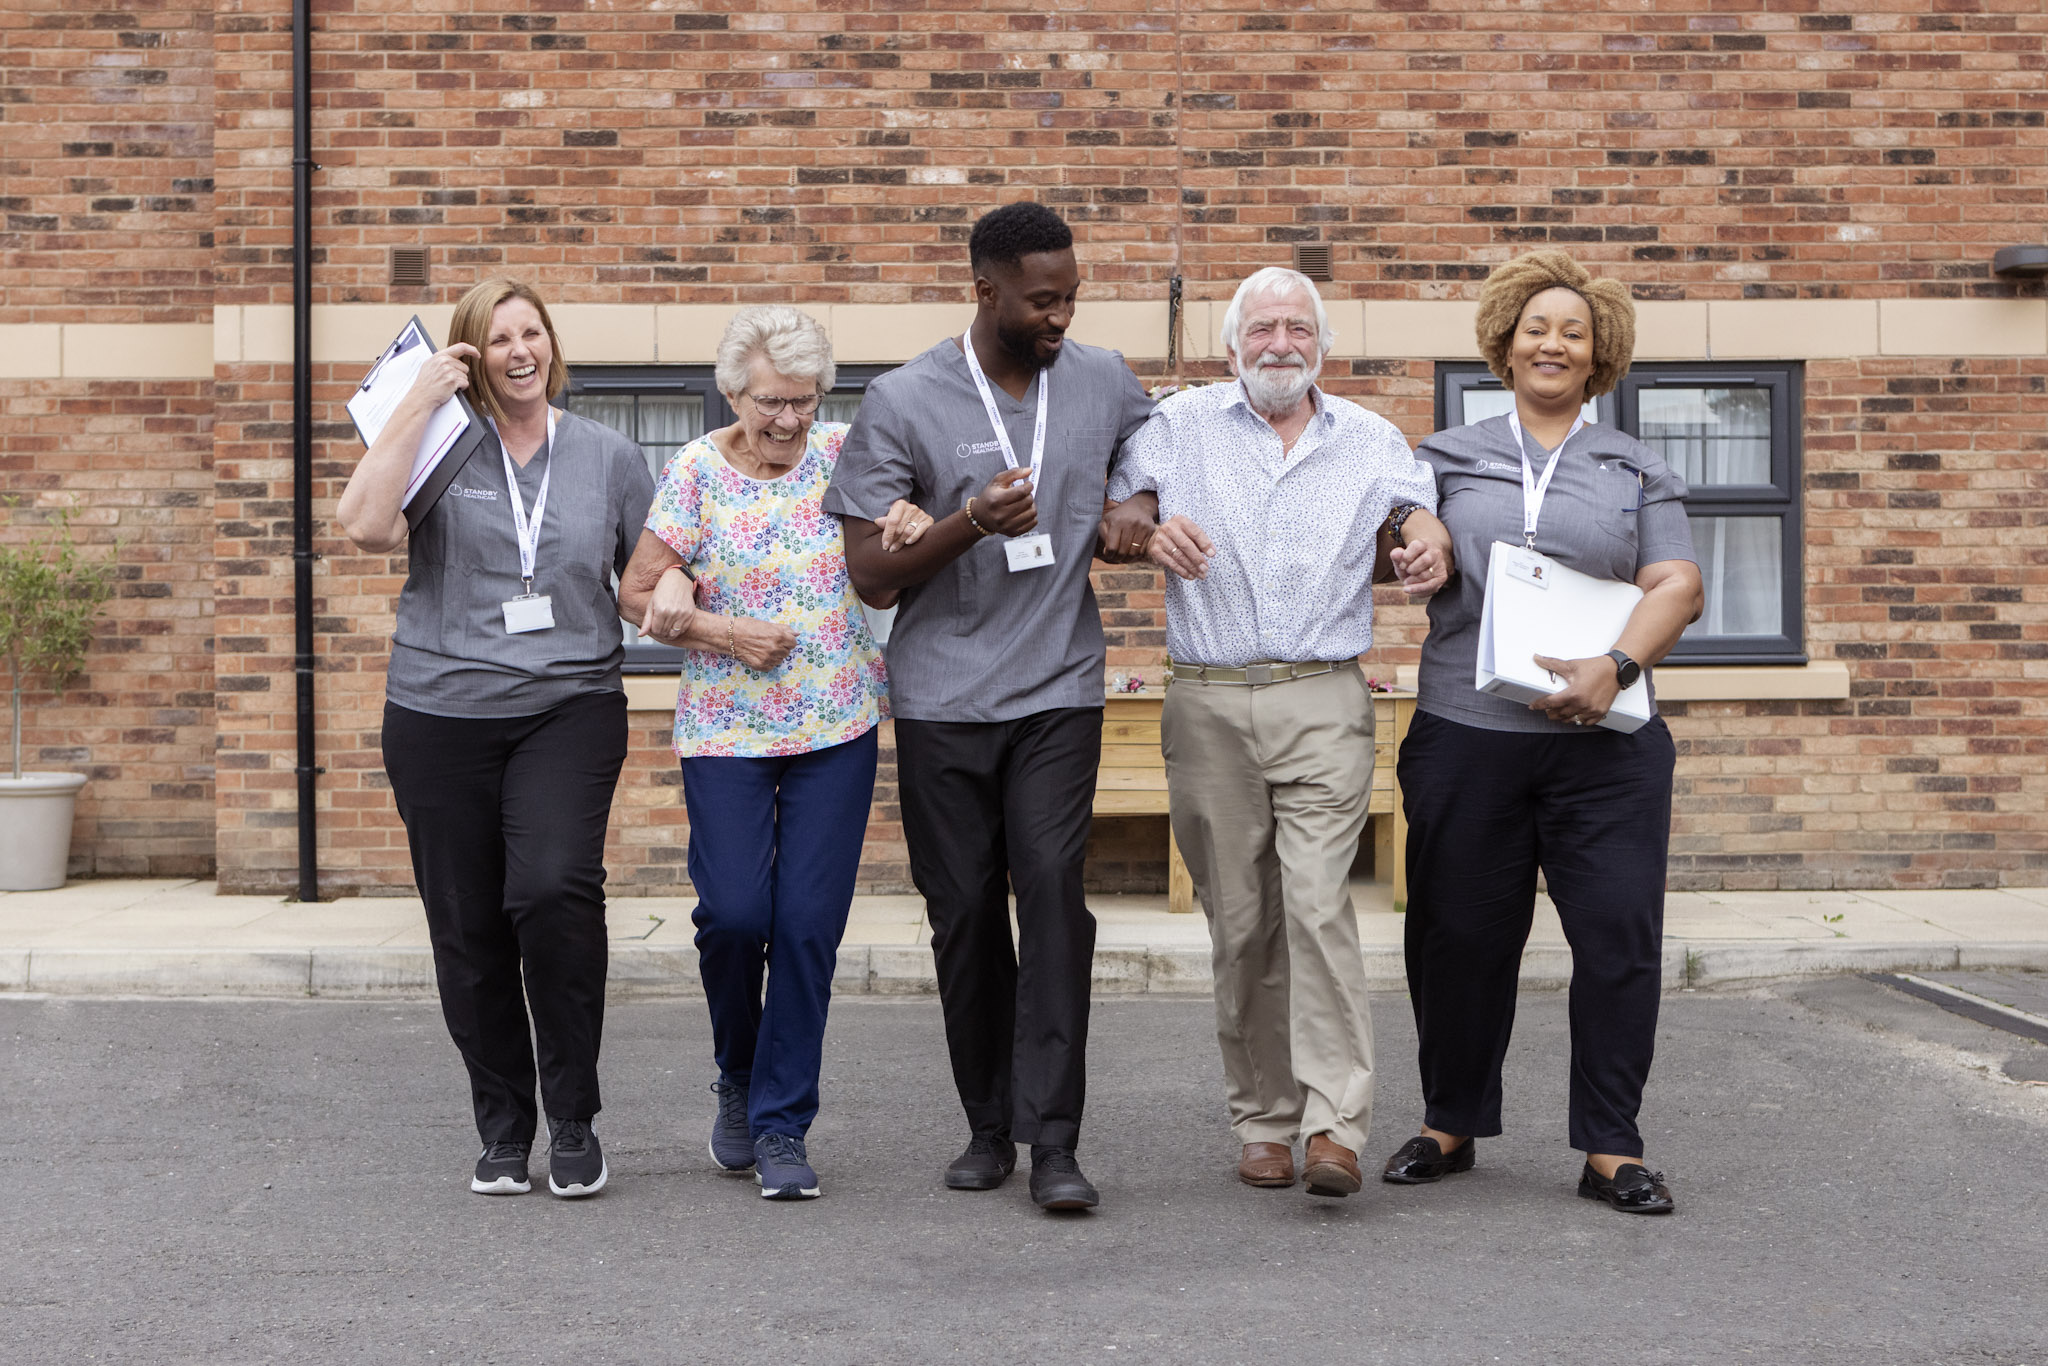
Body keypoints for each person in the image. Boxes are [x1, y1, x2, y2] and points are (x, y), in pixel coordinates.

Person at [822, 201, 1157, 1213]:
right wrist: (969, 520)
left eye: (1072, 297)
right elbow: (871, 574)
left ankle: (1054, 1140)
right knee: (964, 913)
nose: (1061, 316)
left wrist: (1134, 501)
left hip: (1058, 687)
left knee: (1051, 895)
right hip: (941, 698)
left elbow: (1156, 450)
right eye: (1042, 300)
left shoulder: (1101, 380)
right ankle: (986, 1123)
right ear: (985, 291)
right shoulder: (902, 399)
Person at [1111, 267, 1453, 1197]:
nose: (1280, 344)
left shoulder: (1368, 437)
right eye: (1262, 328)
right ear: (1233, 345)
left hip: (1322, 698)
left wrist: (1428, 536)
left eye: (1298, 328)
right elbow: (1119, 511)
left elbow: (1412, 509)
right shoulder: (1176, 425)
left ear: (1323, 346)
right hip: (1208, 701)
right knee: (1242, 923)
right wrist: (1145, 529)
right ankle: (1264, 1120)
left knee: (1316, 906)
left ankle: (1334, 1124)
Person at [1379, 249, 1704, 1215]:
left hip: (1606, 750)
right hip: (1465, 734)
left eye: (1573, 331)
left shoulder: (1636, 466)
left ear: (1600, 354)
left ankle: (1611, 1147)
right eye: (1536, 328)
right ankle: (1450, 1123)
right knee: (1456, 937)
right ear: (1505, 344)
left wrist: (1618, 667)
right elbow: (1398, 529)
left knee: (1618, 941)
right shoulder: (1444, 456)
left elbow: (1677, 583)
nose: (1553, 344)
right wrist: (1420, 533)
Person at [337, 277, 656, 1199]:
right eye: (500, 338)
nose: (522, 352)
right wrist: (418, 402)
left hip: (568, 705)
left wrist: (693, 605)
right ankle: (505, 1126)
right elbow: (362, 527)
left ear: (551, 343)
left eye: (533, 333)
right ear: (471, 354)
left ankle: (574, 1118)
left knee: (554, 892)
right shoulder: (439, 444)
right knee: (466, 925)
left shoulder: (608, 456)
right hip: (439, 714)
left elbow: (648, 575)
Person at [615, 305, 926, 1201]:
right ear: (733, 395)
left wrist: (907, 521)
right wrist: (719, 628)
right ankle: (738, 1075)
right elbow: (636, 592)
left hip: (836, 723)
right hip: (727, 730)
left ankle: (782, 1122)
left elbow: (893, 530)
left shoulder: (844, 454)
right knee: (736, 915)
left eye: (803, 400)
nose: (787, 420)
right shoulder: (695, 470)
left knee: (806, 927)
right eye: (769, 402)